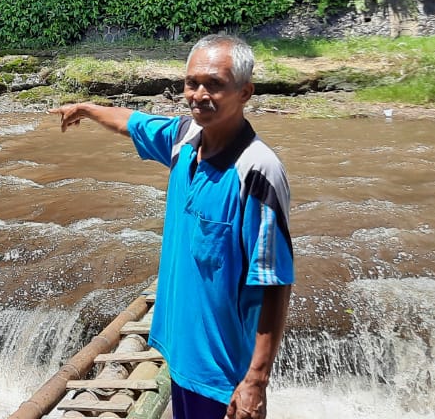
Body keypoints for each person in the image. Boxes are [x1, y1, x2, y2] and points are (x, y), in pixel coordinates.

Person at [49, 34, 293, 419]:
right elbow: (132, 123)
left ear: (245, 92)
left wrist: (256, 381)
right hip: (179, 352)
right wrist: (87, 108)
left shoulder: (257, 171)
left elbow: (275, 281)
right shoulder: (184, 139)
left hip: (222, 371)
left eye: (214, 84)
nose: (198, 94)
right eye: (191, 82)